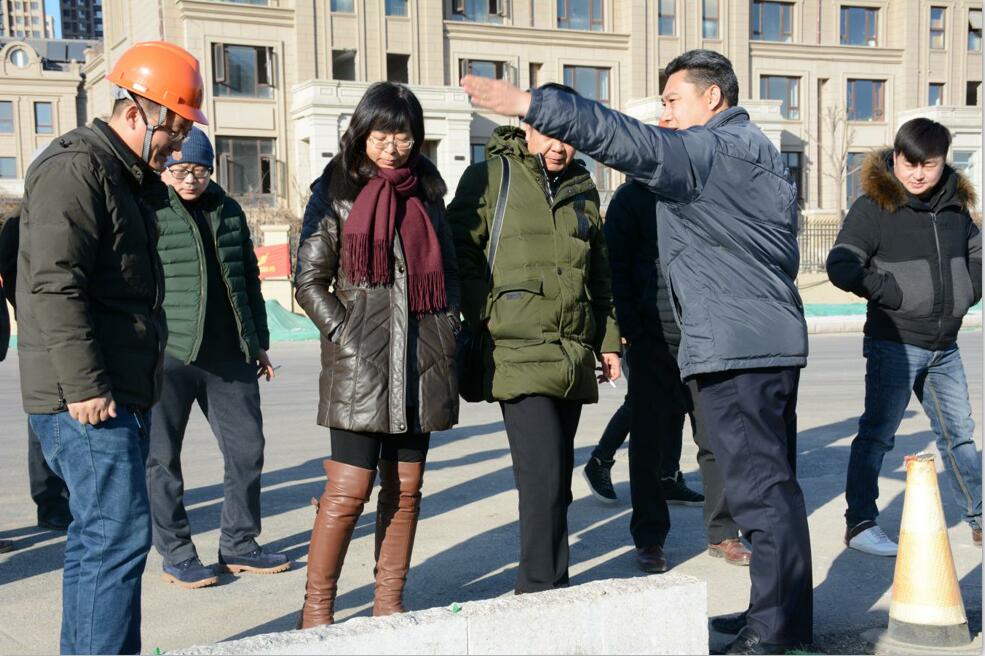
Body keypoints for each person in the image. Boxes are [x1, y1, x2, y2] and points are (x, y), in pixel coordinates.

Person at [461, 50, 812, 654]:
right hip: (766, 340)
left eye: (673, 101)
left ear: (712, 98)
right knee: (773, 487)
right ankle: (777, 614)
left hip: (736, 348)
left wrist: (529, 104)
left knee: (759, 494)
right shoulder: (760, 153)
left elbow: (626, 140)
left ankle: (775, 633)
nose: (666, 116)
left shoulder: (710, 151)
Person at [16, 41, 206, 654]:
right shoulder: (76, 168)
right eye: (174, 130)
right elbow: (54, 283)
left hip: (112, 388)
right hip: (86, 397)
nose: (177, 146)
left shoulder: (121, 176)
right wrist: (85, 384)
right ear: (136, 111)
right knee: (118, 537)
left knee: (99, 540)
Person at [294, 82, 460, 628]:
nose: (392, 146)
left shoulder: (428, 193)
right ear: (361, 132)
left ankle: (388, 603)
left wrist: (448, 325)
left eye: (403, 135)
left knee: (405, 491)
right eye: (381, 134)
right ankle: (317, 610)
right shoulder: (335, 190)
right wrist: (346, 334)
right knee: (348, 493)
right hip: (360, 366)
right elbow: (308, 280)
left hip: (422, 363)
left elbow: (449, 273)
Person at [448, 83, 622, 593]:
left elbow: (599, 272)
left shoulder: (583, 188)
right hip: (517, 348)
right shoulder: (490, 176)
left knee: (556, 480)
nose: (559, 146)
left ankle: (551, 582)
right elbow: (458, 250)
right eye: (549, 133)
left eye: (569, 136)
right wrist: (487, 312)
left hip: (571, 350)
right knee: (543, 477)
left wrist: (609, 340)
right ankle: (538, 589)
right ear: (527, 126)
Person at [827, 118, 982, 556]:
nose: (917, 174)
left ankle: (979, 517)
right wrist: (892, 293)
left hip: (944, 346)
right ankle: (860, 524)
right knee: (878, 434)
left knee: (960, 435)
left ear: (943, 162)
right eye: (908, 163)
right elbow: (842, 264)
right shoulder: (874, 207)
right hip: (895, 342)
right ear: (895, 158)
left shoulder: (955, 206)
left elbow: (977, 252)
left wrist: (969, 289)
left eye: (928, 165)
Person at [144, 127, 289, 589]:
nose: (191, 180)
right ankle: (177, 553)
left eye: (201, 171)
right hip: (167, 354)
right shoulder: (147, 206)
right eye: (181, 170)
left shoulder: (227, 209)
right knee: (162, 459)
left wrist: (258, 341)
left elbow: (248, 278)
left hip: (229, 353)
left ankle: (240, 543)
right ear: (165, 169)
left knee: (247, 448)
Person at [592, 181, 750, 569]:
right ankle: (649, 538)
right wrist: (631, 329)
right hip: (652, 339)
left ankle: (724, 533)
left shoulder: (705, 190)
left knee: (716, 438)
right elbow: (614, 268)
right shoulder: (632, 198)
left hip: (706, 338)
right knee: (648, 443)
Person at [0, 210, 72, 532]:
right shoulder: (19, 223)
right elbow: (11, 274)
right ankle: (51, 501)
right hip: (40, 334)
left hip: (81, 333)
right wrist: (32, 313)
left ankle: (71, 500)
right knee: (45, 416)